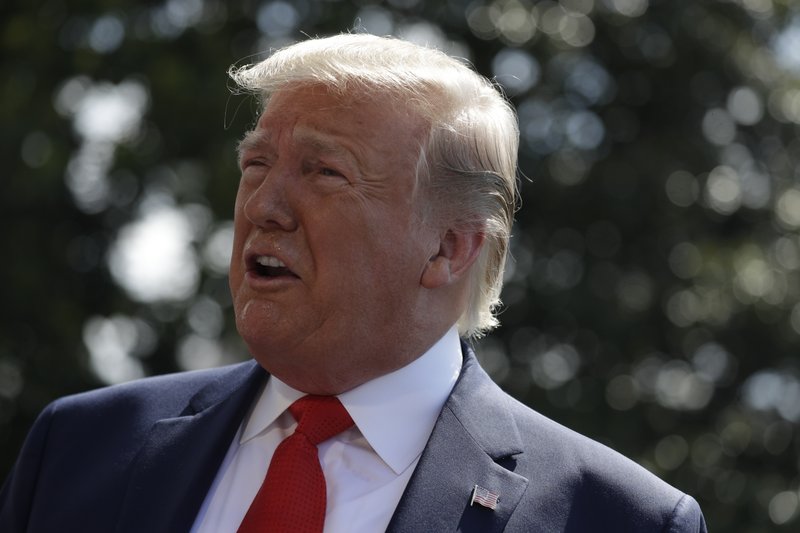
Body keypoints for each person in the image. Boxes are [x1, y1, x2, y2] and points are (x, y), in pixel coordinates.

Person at [0, 34, 707, 532]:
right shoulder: (81, 446)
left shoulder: (616, 517)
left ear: (448, 248)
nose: (263, 206)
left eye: (323, 172)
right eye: (256, 165)